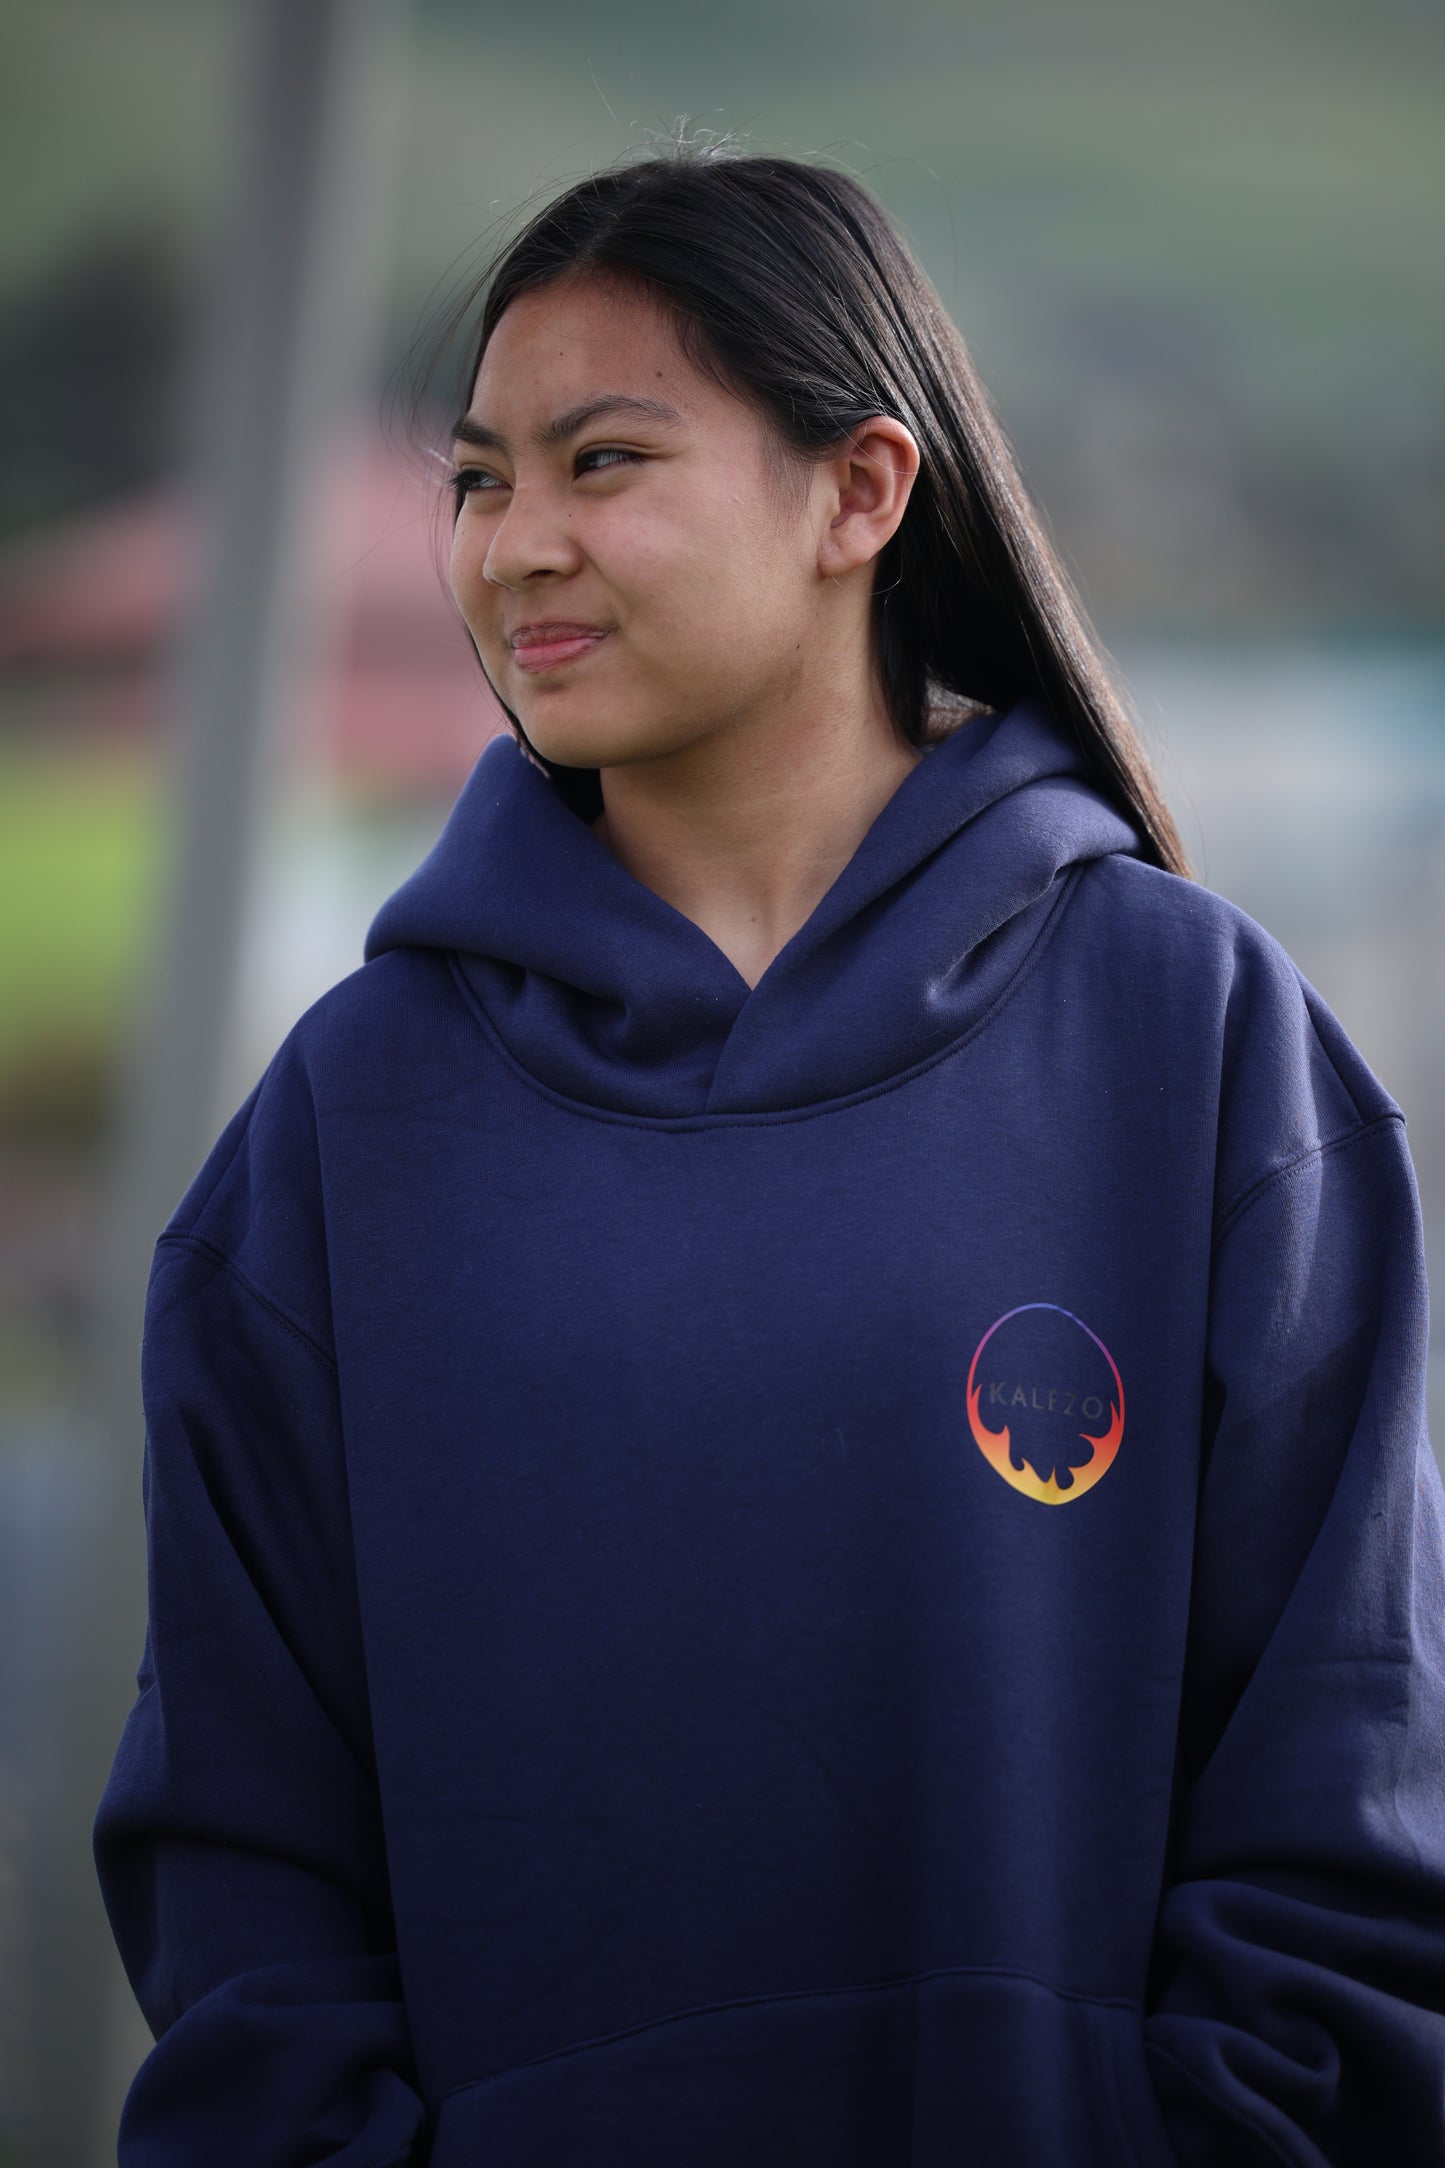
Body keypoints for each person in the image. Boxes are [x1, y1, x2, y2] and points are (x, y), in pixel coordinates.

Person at [93, 140, 1445, 2166]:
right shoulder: (347, 1125)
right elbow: (240, 1855)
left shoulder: (1193, 1039)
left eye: (603, 461)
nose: (513, 546)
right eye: (478, 480)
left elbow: (1352, 1772)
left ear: (862, 491)